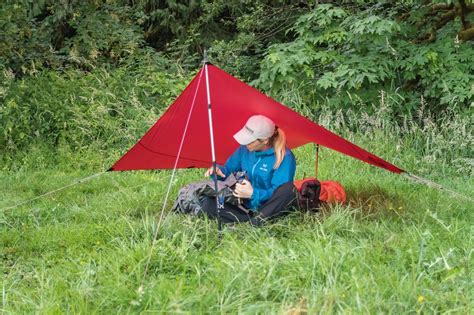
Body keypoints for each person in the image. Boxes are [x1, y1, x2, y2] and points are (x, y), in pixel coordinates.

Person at [201, 115, 297, 225]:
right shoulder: (244, 150)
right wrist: (218, 171)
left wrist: (253, 194)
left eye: (250, 141)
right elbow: (228, 170)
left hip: (269, 206)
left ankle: (257, 221)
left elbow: (278, 192)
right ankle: (252, 222)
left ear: (265, 140)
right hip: (243, 205)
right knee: (209, 204)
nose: (246, 143)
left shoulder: (285, 157)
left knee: (289, 190)